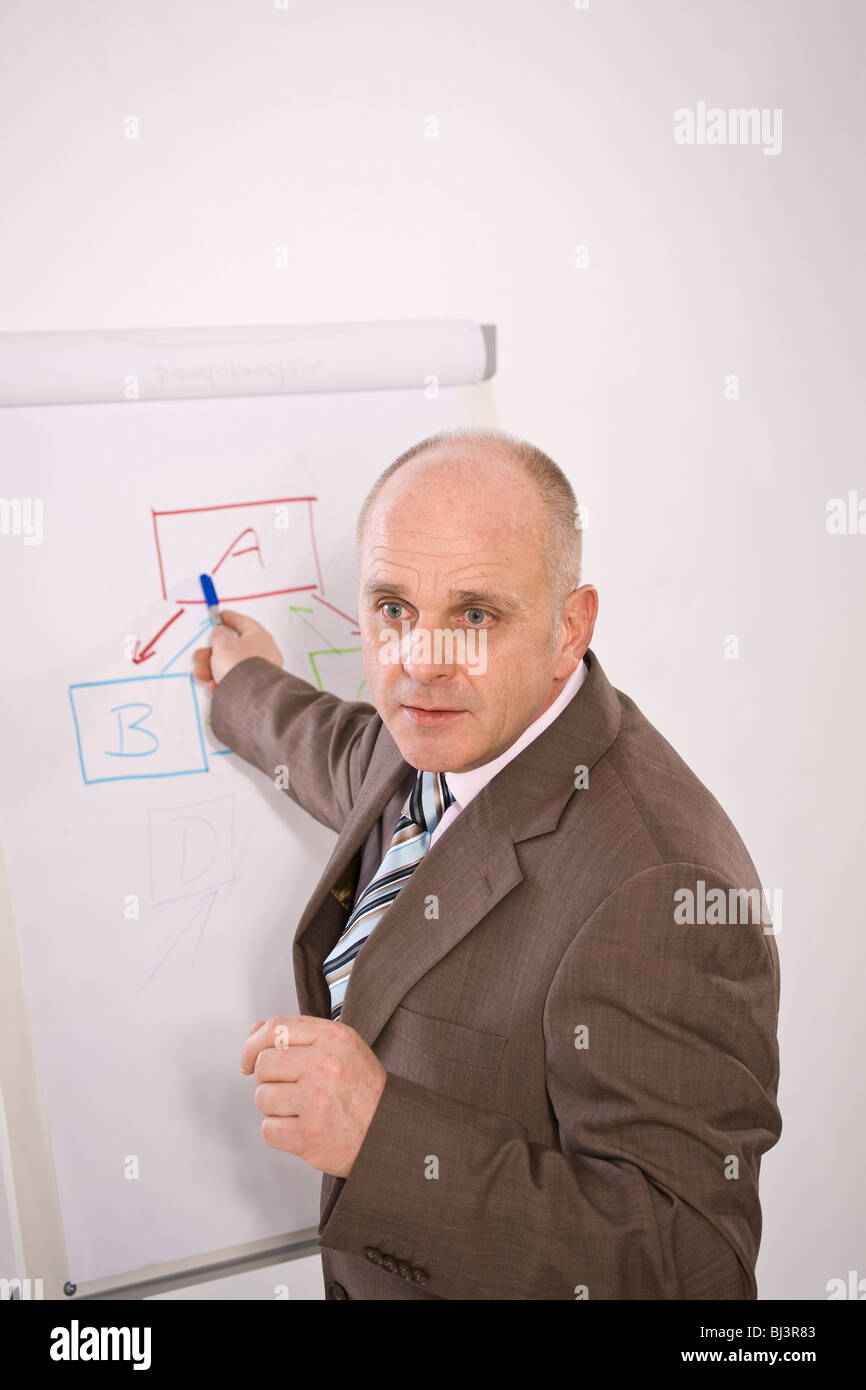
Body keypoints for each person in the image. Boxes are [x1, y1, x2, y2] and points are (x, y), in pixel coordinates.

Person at [193, 427, 782, 1300]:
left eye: (475, 616)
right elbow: (348, 756)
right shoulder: (446, 739)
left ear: (567, 628)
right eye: (393, 609)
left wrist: (380, 1136)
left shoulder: (660, 888)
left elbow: (686, 1269)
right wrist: (246, 687)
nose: (420, 665)